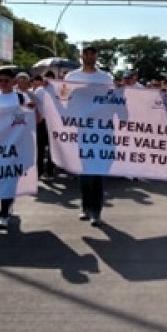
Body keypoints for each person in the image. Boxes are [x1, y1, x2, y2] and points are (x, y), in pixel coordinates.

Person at [64, 45, 114, 227]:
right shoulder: (72, 77)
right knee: (84, 173)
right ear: (81, 55)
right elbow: (64, 99)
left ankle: (97, 211)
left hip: (101, 131)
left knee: (98, 173)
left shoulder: (106, 78)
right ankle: (86, 207)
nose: (89, 56)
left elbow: (113, 100)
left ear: (97, 56)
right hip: (81, 131)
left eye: (92, 53)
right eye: (86, 53)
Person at [0, 66, 28, 230]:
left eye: (7, 80)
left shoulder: (20, 97)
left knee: (11, 176)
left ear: (13, 81)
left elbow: (33, 118)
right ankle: (6, 205)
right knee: (2, 176)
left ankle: (3, 211)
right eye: (1, 80)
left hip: (17, 143)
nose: (3, 83)